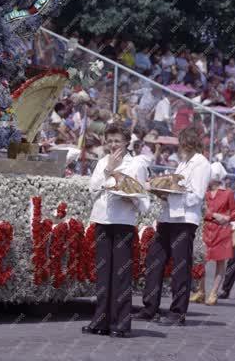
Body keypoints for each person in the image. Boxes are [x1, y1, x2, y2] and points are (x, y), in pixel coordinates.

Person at [134, 126, 212, 325]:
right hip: (168, 217)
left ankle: (178, 313)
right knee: (154, 261)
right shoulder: (183, 163)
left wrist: (169, 193)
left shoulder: (202, 164)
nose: (181, 147)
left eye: (184, 143)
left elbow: (196, 197)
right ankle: (150, 307)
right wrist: (161, 191)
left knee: (180, 267)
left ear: (192, 143)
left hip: (185, 220)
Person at [83, 124, 151, 338]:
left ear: (126, 142)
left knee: (121, 275)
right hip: (103, 220)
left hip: (123, 222)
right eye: (110, 140)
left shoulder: (136, 164)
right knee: (103, 274)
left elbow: (144, 199)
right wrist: (107, 170)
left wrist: (130, 196)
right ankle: (100, 321)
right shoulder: (103, 161)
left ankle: (120, 323)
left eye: (117, 140)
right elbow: (93, 188)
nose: (113, 144)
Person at [188, 162, 235, 305]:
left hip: (222, 232)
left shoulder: (227, 193)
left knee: (220, 262)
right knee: (200, 261)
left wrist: (228, 218)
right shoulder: (204, 194)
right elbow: (201, 210)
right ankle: (201, 291)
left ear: (215, 178)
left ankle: (213, 293)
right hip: (206, 229)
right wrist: (215, 215)